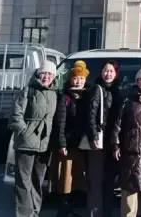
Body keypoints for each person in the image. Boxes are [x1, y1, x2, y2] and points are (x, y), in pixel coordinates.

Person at [10, 60, 58, 217]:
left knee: (38, 180)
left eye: (50, 74)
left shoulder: (55, 93)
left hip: (44, 143)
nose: (46, 77)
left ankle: (35, 212)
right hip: (26, 142)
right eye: (44, 73)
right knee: (23, 181)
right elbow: (16, 113)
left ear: (54, 76)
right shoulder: (28, 90)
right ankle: (24, 214)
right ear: (38, 74)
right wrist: (24, 131)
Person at [112, 64, 141, 217]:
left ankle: (138, 214)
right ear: (137, 80)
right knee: (130, 186)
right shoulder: (128, 98)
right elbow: (117, 123)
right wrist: (116, 144)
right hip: (130, 149)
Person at [85, 61, 124, 217]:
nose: (108, 74)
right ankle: (95, 213)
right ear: (101, 73)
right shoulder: (97, 89)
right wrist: (94, 135)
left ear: (116, 73)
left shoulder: (119, 91)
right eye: (105, 70)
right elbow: (91, 115)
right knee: (96, 180)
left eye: (111, 71)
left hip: (112, 142)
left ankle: (107, 212)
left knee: (109, 181)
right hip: (99, 140)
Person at [52, 60, 90, 217]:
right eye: (75, 78)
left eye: (81, 78)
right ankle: (64, 209)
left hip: (83, 144)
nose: (78, 81)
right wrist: (62, 143)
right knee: (66, 178)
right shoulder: (65, 96)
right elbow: (60, 122)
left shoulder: (88, 95)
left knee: (78, 177)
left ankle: (73, 208)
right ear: (70, 79)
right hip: (68, 144)